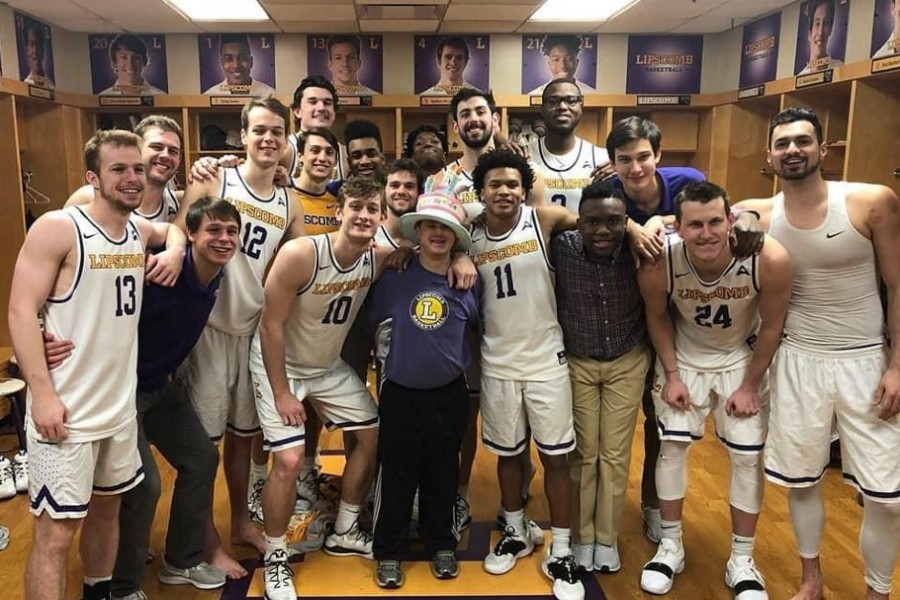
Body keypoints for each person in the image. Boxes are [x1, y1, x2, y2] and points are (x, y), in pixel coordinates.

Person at [734, 106, 900, 600]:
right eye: (782, 143)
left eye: (802, 141)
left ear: (822, 149)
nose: (792, 150)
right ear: (769, 155)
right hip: (797, 360)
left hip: (866, 358)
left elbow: (897, 286)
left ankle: (878, 589)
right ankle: (812, 578)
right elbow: (697, 220)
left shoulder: (872, 202)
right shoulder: (759, 213)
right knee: (802, 481)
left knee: (887, 496)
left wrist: (897, 365)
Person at [8, 129, 175, 600]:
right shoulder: (60, 227)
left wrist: (179, 247)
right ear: (92, 177)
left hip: (117, 410)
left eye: (138, 169)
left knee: (107, 512)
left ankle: (98, 593)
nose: (131, 178)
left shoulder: (139, 232)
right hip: (67, 411)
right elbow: (21, 309)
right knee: (55, 535)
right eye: (118, 169)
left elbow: (173, 229)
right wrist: (41, 395)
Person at [47, 198, 241, 597]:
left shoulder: (216, 274)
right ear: (190, 235)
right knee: (144, 485)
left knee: (202, 458)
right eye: (214, 231)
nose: (223, 239)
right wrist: (42, 335)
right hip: (120, 391)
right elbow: (96, 306)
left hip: (159, 386)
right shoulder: (158, 273)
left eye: (231, 231)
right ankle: (122, 587)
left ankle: (182, 561)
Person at [637, 181, 792, 598]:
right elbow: (657, 317)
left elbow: (774, 326)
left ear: (730, 222)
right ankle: (671, 545)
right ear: (678, 227)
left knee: (746, 458)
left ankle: (743, 558)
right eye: (695, 225)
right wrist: (671, 374)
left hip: (741, 358)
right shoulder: (660, 261)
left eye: (714, 222)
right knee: (671, 448)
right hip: (685, 356)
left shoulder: (767, 257)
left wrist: (749, 385)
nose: (705, 233)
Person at [176, 96, 306, 579]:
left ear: (285, 139)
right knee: (202, 451)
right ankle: (205, 543)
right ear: (243, 135)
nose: (268, 139)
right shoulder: (216, 179)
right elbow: (177, 233)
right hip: (207, 330)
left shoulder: (289, 200)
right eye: (259, 131)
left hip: (250, 333)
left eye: (277, 131)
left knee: (240, 439)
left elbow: (296, 261)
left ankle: (239, 523)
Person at [254, 177, 394, 600]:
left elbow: (421, 250)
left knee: (371, 434)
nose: (364, 216)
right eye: (356, 207)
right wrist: (281, 392)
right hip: (279, 366)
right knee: (290, 459)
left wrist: (460, 260)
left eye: (373, 209)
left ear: (381, 217)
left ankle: (346, 528)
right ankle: (276, 555)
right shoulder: (302, 254)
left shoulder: (379, 258)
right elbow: (269, 325)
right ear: (339, 212)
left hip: (326, 367)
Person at [471, 149, 583, 600]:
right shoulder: (470, 234)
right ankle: (516, 530)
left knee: (557, 457)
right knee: (509, 454)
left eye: (512, 184)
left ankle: (563, 548)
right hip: (496, 361)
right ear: (482, 191)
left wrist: (639, 228)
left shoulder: (544, 219)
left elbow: (598, 221)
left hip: (545, 360)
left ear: (524, 189)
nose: (504, 191)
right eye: (495, 184)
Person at [368, 192, 480, 588]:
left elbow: (478, 330)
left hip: (448, 392)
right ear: (417, 231)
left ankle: (441, 542)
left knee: (443, 468)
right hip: (400, 391)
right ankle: (388, 549)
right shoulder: (395, 275)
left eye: (445, 228)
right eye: (429, 226)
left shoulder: (468, 280)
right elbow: (373, 324)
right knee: (396, 472)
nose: (437, 233)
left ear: (456, 238)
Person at [552, 181, 651, 574]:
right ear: (579, 223)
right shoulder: (562, 249)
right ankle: (581, 536)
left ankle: (606, 539)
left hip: (627, 360)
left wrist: (643, 229)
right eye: (592, 222)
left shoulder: (638, 249)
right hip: (578, 361)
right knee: (582, 453)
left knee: (613, 454)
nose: (603, 231)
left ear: (627, 223)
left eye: (613, 222)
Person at [67, 115, 183, 224]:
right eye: (156, 147)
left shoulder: (178, 203)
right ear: (136, 150)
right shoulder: (90, 197)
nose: (165, 155)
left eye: (173, 151)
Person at [529, 78, 610, 213]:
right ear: (542, 109)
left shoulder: (602, 159)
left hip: (584, 234)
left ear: (580, 107)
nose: (562, 107)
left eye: (571, 100)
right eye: (553, 101)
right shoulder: (525, 156)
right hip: (537, 234)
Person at [375, 158, 424, 249]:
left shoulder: (429, 240)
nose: (401, 191)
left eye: (409, 186)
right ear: (383, 191)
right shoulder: (371, 236)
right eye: (395, 185)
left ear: (419, 192)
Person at [203, 34, 275, 96]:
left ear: (251, 61)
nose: (236, 65)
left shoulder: (270, 94)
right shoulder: (210, 95)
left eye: (242, 58)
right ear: (221, 63)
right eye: (229, 59)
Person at [527, 35, 597, 96]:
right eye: (556, 59)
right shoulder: (536, 94)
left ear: (577, 62)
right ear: (549, 64)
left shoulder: (591, 94)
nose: (563, 66)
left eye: (569, 59)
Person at [100, 34, 165, 96]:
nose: (130, 64)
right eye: (124, 57)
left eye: (136, 58)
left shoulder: (161, 97)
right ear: (114, 63)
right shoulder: (101, 97)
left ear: (144, 62)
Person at [797, 0, 844, 75]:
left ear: (830, 29)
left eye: (826, 23)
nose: (820, 32)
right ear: (809, 34)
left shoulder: (839, 68)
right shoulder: (801, 76)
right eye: (817, 23)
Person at [22, 19, 54, 88]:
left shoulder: (51, 85)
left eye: (38, 44)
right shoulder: (24, 84)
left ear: (43, 48)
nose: (35, 50)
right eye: (31, 44)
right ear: (27, 49)